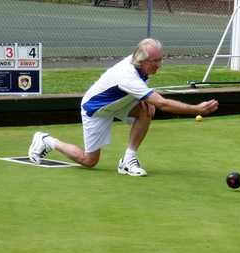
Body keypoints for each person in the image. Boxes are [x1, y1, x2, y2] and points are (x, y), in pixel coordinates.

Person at [28, 38, 219, 176]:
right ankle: (46, 140)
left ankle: (128, 160)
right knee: (89, 161)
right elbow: (162, 103)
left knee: (146, 110)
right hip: (96, 109)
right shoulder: (127, 75)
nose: (159, 65)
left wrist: (142, 96)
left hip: (120, 101)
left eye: (161, 59)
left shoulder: (141, 64)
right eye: (155, 61)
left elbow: (142, 87)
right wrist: (197, 109)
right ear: (142, 60)